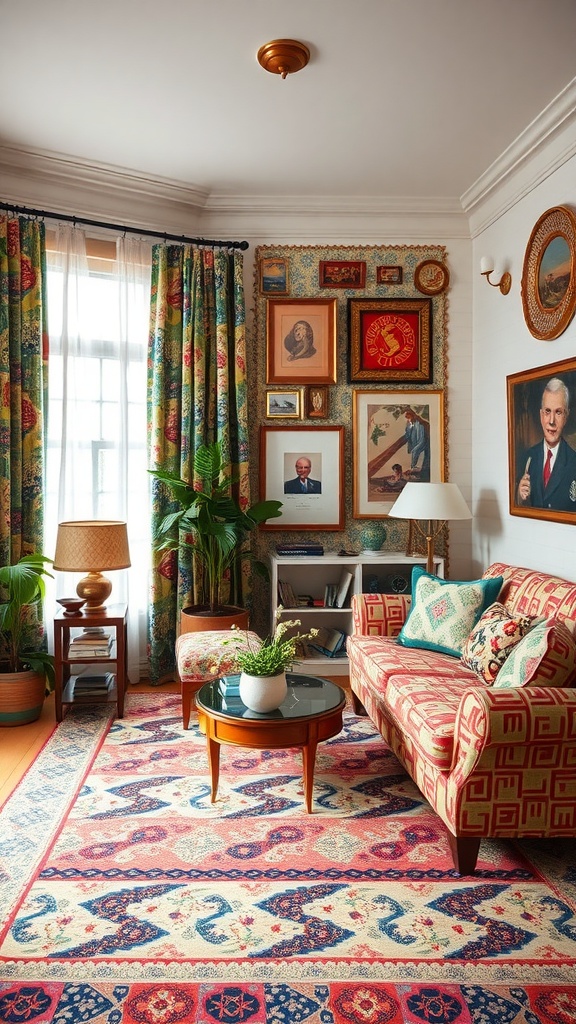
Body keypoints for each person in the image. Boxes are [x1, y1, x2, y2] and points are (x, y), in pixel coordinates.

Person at [517, 377, 576, 512]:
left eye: (558, 412)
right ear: (541, 415)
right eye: (547, 411)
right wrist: (520, 498)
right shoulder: (528, 457)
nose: (551, 421)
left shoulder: (574, 462)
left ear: (566, 416)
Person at [404, 409, 430, 479]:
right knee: (414, 452)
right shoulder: (409, 423)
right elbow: (407, 433)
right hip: (415, 442)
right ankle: (414, 469)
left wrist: (417, 447)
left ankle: (415, 469)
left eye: (409, 417)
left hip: (422, 442)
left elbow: (422, 438)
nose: (408, 419)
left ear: (412, 416)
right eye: (407, 418)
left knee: (416, 452)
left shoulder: (420, 424)